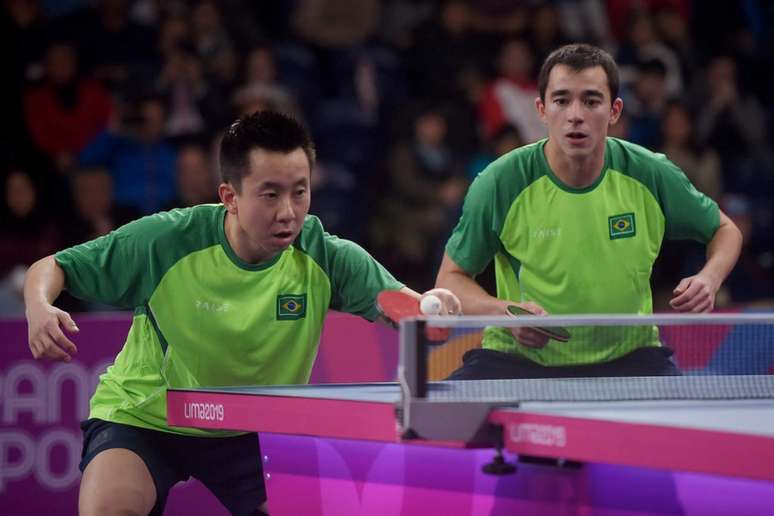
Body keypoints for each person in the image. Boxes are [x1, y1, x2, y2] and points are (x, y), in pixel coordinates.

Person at [24, 110, 460, 516]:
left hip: (256, 430)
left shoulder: (326, 256)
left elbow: (399, 305)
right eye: (270, 194)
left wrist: (428, 312)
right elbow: (55, 267)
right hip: (148, 416)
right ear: (230, 196)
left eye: (300, 191)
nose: (288, 212)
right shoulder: (168, 241)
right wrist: (40, 306)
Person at [436, 44, 742, 380]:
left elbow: (725, 230)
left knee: (685, 430)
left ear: (614, 111)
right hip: (519, 359)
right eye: (562, 100)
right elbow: (451, 279)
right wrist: (504, 312)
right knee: (435, 423)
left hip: (630, 357)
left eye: (591, 101)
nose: (575, 115)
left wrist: (709, 279)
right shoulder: (501, 182)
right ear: (542, 109)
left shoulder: (649, 173)